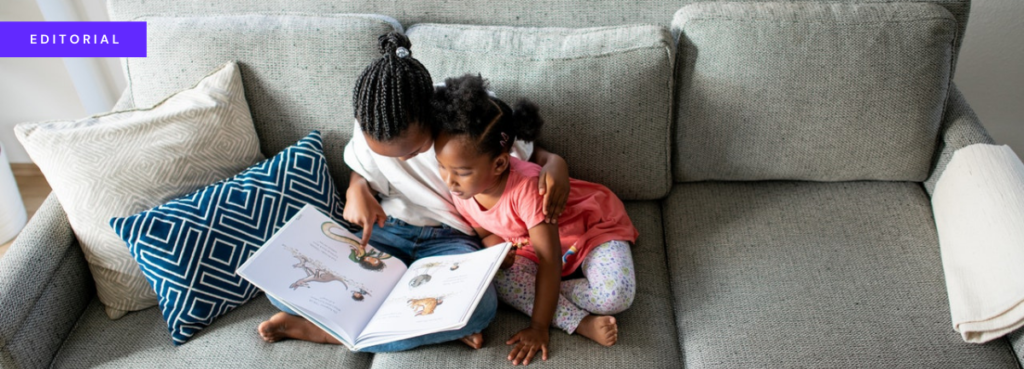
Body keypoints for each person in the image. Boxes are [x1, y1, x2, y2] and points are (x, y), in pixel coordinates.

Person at [256, 32, 571, 353]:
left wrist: (556, 164)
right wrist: (357, 189)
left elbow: (522, 158)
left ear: (431, 116)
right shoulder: (373, 118)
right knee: (280, 287)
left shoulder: (468, 117)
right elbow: (361, 170)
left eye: (413, 150)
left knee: (482, 310)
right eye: (387, 154)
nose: (401, 159)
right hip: (389, 231)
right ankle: (431, 324)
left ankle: (325, 332)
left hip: (454, 240)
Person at [432, 74, 638, 365]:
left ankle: (548, 296)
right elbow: (485, 231)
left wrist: (539, 327)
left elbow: (550, 258)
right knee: (499, 282)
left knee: (614, 297)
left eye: (461, 172)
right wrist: (498, 253)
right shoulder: (461, 190)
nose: (449, 181)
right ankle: (579, 322)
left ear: (500, 163)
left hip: (588, 228)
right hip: (531, 246)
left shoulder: (527, 188)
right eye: (441, 166)